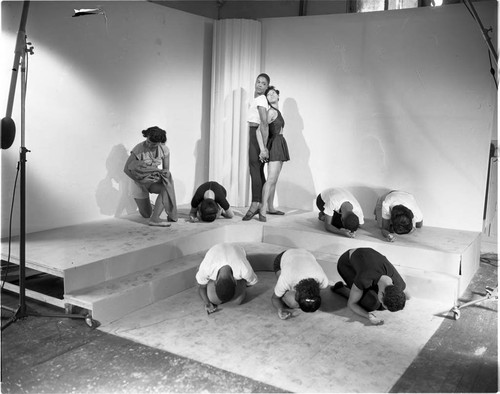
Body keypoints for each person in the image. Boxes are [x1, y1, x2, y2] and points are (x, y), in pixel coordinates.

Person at [331, 247, 410, 326]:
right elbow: (351, 304)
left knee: (381, 306)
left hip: (367, 256)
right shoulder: (364, 278)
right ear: (381, 294)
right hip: (347, 263)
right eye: (382, 302)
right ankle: (342, 289)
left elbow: (407, 296)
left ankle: (357, 290)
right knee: (372, 303)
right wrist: (368, 316)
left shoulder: (399, 283)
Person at [124, 126, 178, 226]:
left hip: (151, 181)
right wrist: (140, 181)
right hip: (138, 182)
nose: (148, 145)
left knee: (167, 186)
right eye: (148, 141)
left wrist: (162, 175)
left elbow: (166, 170)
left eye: (153, 144)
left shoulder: (164, 150)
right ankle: (152, 207)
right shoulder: (138, 148)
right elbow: (126, 169)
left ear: (160, 143)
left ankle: (155, 218)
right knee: (146, 214)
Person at [196, 243, 259, 314]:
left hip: (237, 248)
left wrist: (242, 285)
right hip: (215, 249)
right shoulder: (206, 269)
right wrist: (207, 303)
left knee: (237, 301)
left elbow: (251, 282)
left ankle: (234, 291)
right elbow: (201, 287)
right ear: (214, 282)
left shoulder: (244, 270)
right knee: (214, 300)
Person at [271, 248, 329, 320]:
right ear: (297, 293)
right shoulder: (287, 279)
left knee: (305, 303)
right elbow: (274, 298)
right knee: (292, 303)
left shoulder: (323, 281)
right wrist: (280, 309)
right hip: (285, 256)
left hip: (306, 254)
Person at [259, 86, 289, 222]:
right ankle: (263, 209)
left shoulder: (277, 111)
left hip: (279, 143)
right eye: (268, 95)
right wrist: (263, 148)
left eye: (273, 93)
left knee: (274, 179)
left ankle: (270, 207)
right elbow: (260, 129)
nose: (270, 95)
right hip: (275, 144)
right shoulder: (271, 112)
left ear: (278, 95)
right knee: (271, 179)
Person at [243, 73, 270, 221]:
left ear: (267, 87)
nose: (259, 84)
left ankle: (255, 204)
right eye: (258, 82)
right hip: (254, 133)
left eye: (263, 83)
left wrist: (263, 147)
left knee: (254, 169)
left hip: (256, 134)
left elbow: (264, 122)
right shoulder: (258, 99)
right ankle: (261, 204)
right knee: (258, 170)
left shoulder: (261, 99)